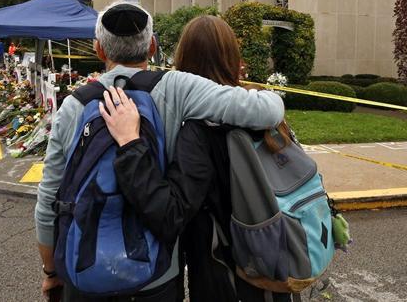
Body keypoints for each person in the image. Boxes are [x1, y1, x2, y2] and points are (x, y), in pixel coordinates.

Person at [35, 1, 285, 301]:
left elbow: (49, 199)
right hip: (157, 276)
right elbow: (268, 111)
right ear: (152, 47)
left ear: (99, 50)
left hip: (83, 272)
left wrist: (51, 272)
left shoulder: (74, 106)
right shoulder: (177, 88)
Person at [102, 16, 291, 302]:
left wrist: (131, 144)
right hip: (279, 257)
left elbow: (171, 213)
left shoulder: (197, 131)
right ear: (232, 57)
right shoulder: (264, 116)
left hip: (227, 274)